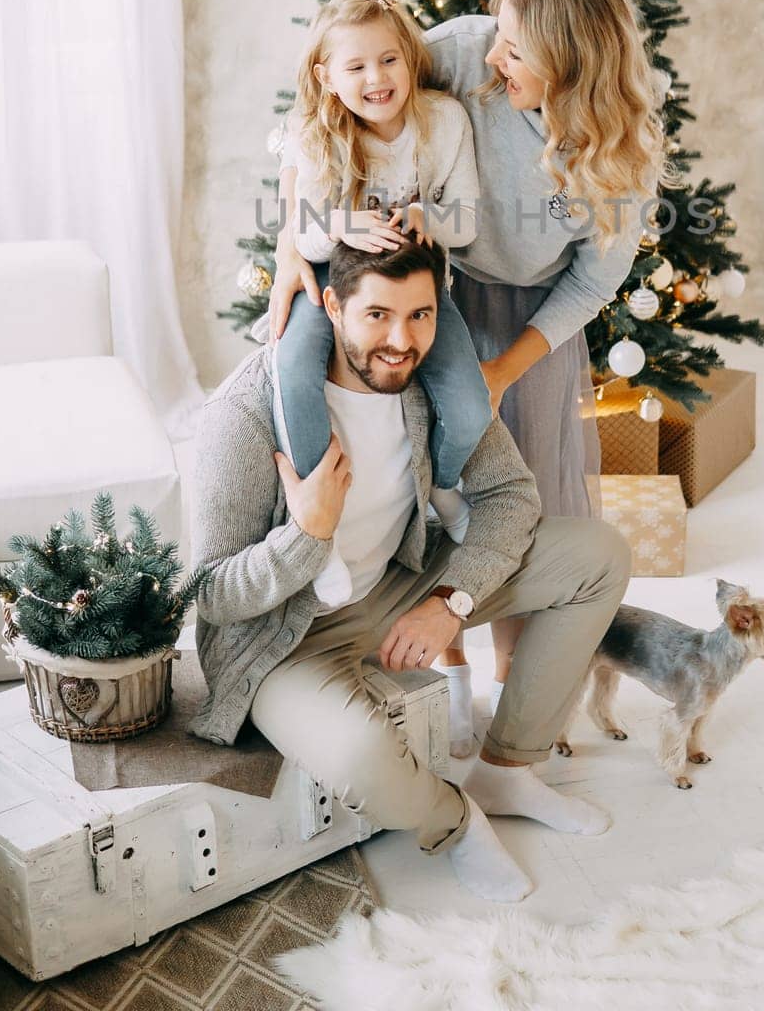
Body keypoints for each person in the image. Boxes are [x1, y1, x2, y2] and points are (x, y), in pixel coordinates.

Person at [270, 0, 667, 746]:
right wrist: (292, 239)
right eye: (498, 38)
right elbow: (329, 100)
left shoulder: (624, 158)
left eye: (515, 51)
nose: (493, 57)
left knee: (525, 498)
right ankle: (444, 678)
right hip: (431, 294)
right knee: (428, 483)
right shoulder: (463, 48)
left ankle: (513, 688)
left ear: (569, 63)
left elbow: (588, 289)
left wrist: (499, 370)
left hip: (533, 321)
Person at [189, 235, 631, 904]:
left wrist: (450, 601)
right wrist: (305, 533)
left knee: (598, 556)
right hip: (285, 637)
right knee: (362, 760)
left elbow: (511, 496)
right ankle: (455, 821)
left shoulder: (431, 383)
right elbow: (211, 593)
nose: (400, 340)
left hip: (398, 581)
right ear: (333, 306)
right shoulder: (244, 413)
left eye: (419, 315)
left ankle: (506, 768)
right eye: (377, 316)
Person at [266, 0, 493, 613]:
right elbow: (300, 230)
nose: (376, 78)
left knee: (469, 405)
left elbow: (467, 222)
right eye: (357, 66)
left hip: (414, 291)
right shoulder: (317, 134)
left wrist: (427, 215)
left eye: (389, 59)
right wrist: (339, 223)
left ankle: (442, 486)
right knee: (291, 372)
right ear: (327, 77)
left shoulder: (442, 121)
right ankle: (324, 533)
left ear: (410, 59)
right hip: (331, 285)